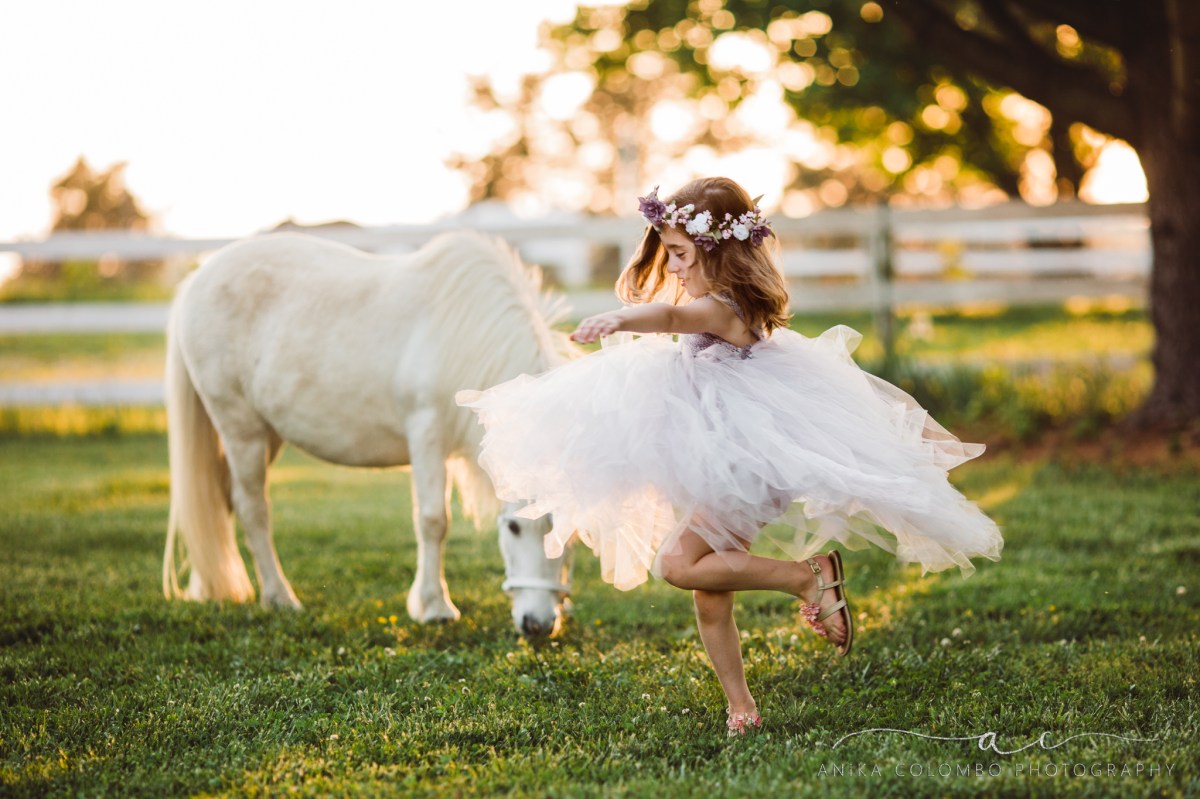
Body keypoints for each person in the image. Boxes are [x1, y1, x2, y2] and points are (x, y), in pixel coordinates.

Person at [457, 177, 1003, 736]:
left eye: (679, 255)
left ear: (715, 249)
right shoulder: (723, 300)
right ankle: (740, 704)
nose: (671, 268)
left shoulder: (722, 308)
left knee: (677, 564)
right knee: (709, 592)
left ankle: (808, 577)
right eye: (667, 254)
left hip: (742, 461)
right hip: (723, 454)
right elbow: (677, 321)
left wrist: (619, 319)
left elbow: (670, 320)